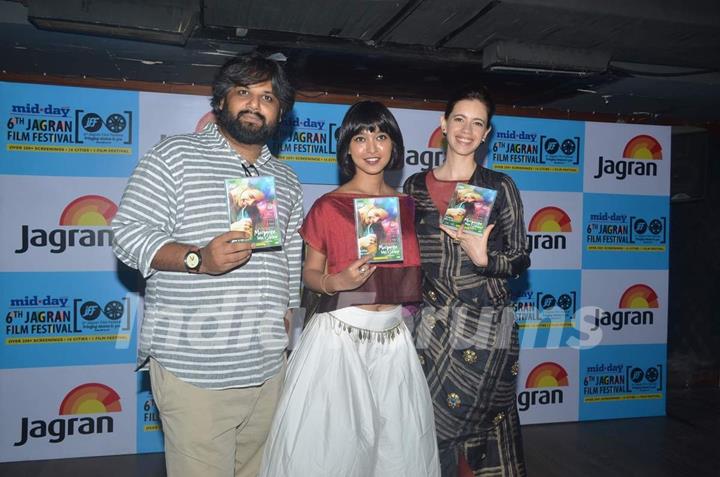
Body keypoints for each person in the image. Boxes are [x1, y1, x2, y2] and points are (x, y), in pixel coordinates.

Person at [111, 52, 303, 477]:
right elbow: (127, 233)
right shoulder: (174, 155)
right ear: (221, 102)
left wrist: (293, 326)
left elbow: (291, 253)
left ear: (281, 112)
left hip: (268, 370)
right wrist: (199, 259)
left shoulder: (287, 180)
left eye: (268, 96)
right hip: (195, 369)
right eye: (243, 92)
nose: (254, 103)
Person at [259, 101, 440, 477]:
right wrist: (335, 282)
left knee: (396, 452)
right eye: (360, 137)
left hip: (393, 339)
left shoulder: (409, 206)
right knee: (329, 455)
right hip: (337, 339)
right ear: (346, 147)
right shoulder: (327, 206)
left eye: (381, 136)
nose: (372, 147)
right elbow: (309, 273)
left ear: (394, 146)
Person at [403, 87, 530, 476]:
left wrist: (484, 258)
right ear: (443, 124)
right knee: (430, 428)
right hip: (431, 329)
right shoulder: (412, 188)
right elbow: (405, 260)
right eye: (459, 119)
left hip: (485, 328)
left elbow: (521, 258)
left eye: (477, 123)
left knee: (479, 428)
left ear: (486, 133)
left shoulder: (498, 185)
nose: (466, 129)